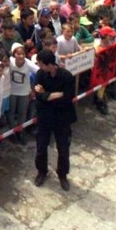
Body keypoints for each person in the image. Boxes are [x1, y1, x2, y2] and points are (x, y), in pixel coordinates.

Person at [32, 49, 76, 190]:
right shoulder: (40, 75)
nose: (40, 67)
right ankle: (41, 171)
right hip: (44, 118)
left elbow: (67, 99)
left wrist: (46, 95)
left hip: (62, 119)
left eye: (41, 64)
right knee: (41, 147)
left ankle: (62, 174)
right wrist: (54, 95)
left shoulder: (67, 77)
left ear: (50, 64)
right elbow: (39, 96)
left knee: (63, 149)